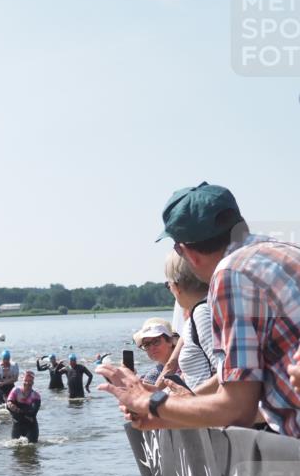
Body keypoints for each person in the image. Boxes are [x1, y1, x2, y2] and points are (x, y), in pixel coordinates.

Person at [99, 182, 300, 437]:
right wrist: (166, 415)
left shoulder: (231, 274)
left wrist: (149, 402)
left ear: (186, 252)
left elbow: (238, 409)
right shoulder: (285, 251)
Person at [164, 250, 216, 391]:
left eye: (167, 285)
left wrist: (189, 400)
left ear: (177, 286)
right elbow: (195, 376)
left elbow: (227, 373)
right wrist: (159, 395)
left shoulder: (202, 313)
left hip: (211, 408)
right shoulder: (197, 314)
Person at [131, 318, 179, 386]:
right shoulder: (153, 375)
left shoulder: (187, 364)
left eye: (156, 341)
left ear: (170, 341)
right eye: (146, 344)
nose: (151, 348)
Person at [6, 370, 41, 443]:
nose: (27, 383)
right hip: (17, 424)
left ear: (33, 383)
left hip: (31, 426)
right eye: (26, 380)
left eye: (30, 381)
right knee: (15, 447)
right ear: (22, 380)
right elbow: (8, 404)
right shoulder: (16, 391)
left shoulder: (36, 395)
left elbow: (33, 413)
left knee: (32, 448)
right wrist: (10, 405)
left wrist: (18, 410)